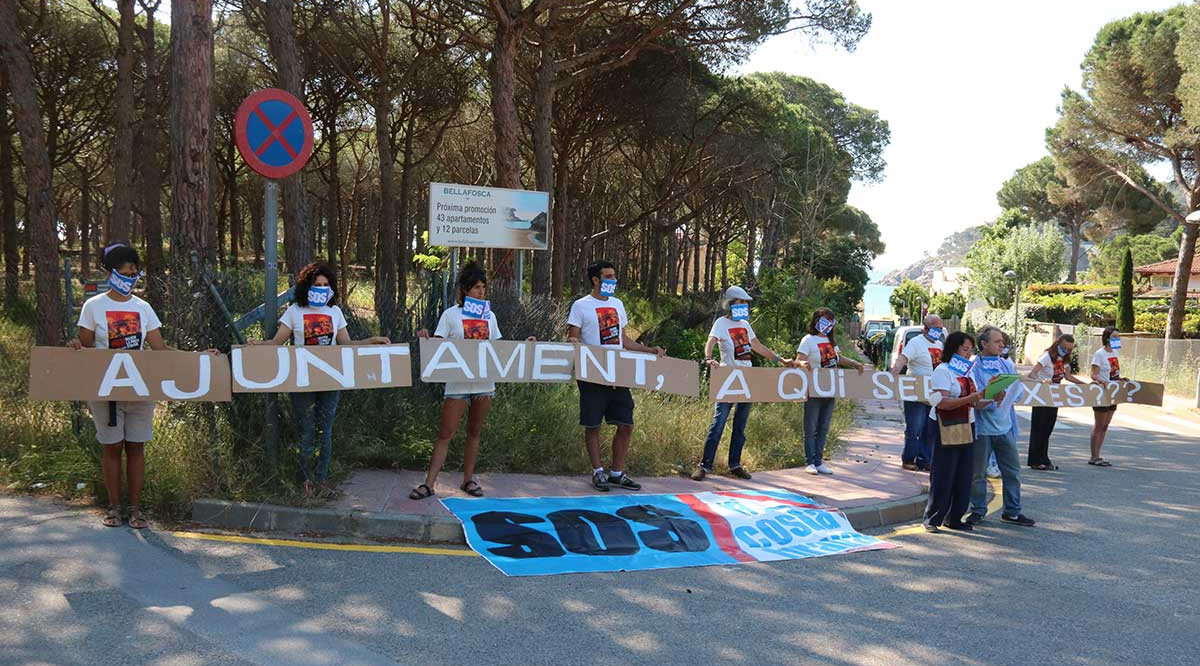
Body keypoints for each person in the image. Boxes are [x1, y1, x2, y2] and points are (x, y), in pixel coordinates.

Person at [67, 244, 213, 529]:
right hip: (105, 391)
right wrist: (73, 345)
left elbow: (159, 348)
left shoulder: (143, 308)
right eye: (124, 273)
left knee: (136, 447)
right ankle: (114, 508)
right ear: (108, 273)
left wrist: (197, 359)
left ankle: (135, 509)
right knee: (112, 447)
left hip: (139, 389)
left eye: (134, 273)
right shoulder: (93, 306)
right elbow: (83, 346)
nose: (130, 278)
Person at [253, 261, 389, 497]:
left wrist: (371, 340)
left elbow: (346, 344)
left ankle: (322, 479)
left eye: (326, 285)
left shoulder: (334, 312)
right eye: (317, 284)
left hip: (330, 380)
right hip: (301, 380)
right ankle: (306, 480)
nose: (322, 288)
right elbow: (277, 342)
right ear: (307, 286)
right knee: (306, 430)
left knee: (324, 430)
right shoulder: (295, 311)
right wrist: (255, 346)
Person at [411, 263, 534, 500]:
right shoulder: (450, 315)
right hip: (457, 384)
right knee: (446, 433)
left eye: (483, 287)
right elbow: (438, 347)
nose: (481, 292)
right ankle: (429, 484)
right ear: (465, 290)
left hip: (484, 383)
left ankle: (468, 479)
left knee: (475, 431)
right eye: (476, 287)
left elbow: (498, 348)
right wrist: (426, 338)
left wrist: (524, 346)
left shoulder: (491, 317)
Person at [567, 260, 665, 491]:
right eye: (608, 276)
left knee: (626, 424)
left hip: (618, 374)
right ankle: (598, 471)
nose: (613, 280)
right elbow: (573, 337)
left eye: (613, 276)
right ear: (595, 280)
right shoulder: (581, 306)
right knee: (593, 425)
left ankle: (617, 473)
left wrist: (649, 350)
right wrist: (573, 342)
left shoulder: (618, 304)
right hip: (592, 374)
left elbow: (624, 340)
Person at [692, 286, 790, 481]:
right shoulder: (721, 323)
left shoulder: (745, 324)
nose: (744, 305)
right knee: (718, 423)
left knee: (740, 424)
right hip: (728, 378)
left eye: (745, 303)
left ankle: (734, 465)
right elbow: (710, 341)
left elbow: (758, 346)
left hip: (747, 379)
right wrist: (708, 357)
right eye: (741, 302)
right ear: (731, 304)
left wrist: (780, 359)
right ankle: (705, 465)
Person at [964, 327, 1035, 527]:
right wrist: (992, 397)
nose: (1001, 345)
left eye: (1002, 342)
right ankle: (977, 510)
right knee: (977, 474)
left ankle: (1012, 511)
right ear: (984, 344)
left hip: (1005, 427)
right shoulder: (973, 366)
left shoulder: (1006, 364)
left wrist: (1003, 396)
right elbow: (974, 398)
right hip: (982, 430)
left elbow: (1017, 391)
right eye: (997, 341)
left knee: (1012, 472)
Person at [923, 331, 984, 533]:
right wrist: (971, 399)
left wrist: (992, 396)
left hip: (967, 423)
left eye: (970, 350)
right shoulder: (943, 370)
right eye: (965, 349)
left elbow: (975, 402)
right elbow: (943, 402)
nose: (968, 354)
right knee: (943, 473)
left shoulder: (968, 372)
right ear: (953, 348)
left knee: (963, 474)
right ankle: (932, 518)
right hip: (945, 425)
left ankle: (955, 517)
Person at [795, 308, 865, 476]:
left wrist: (855, 364)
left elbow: (838, 358)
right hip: (813, 389)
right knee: (810, 427)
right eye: (823, 320)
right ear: (816, 321)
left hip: (830, 389)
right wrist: (802, 364)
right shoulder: (808, 340)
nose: (826, 325)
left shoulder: (831, 341)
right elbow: (798, 360)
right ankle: (810, 461)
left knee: (824, 427)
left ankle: (819, 461)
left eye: (829, 321)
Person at [890, 314, 945, 471]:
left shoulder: (940, 345)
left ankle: (925, 460)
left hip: (933, 393)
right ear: (925, 329)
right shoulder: (915, 343)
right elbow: (903, 358)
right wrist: (896, 369)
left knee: (930, 428)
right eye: (935, 328)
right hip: (915, 392)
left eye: (940, 329)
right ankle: (908, 458)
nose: (938, 331)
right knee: (915, 428)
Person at [1025, 333, 1086, 470]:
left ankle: (1044, 458)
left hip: (1055, 397)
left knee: (1048, 428)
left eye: (1069, 349)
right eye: (1064, 347)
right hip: (1042, 396)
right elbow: (1032, 374)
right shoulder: (1046, 357)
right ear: (1057, 344)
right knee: (1039, 428)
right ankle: (1035, 460)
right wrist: (1042, 381)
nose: (1066, 351)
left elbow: (1068, 376)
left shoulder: (1064, 360)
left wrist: (1084, 385)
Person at [1088, 327, 1125, 467]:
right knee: (1099, 425)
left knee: (1105, 426)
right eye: (1114, 336)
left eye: (1118, 336)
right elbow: (1094, 373)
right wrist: (1101, 381)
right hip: (1102, 392)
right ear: (1107, 338)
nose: (1117, 339)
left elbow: (1113, 372)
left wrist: (1120, 379)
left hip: (1113, 392)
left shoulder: (1115, 352)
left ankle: (1098, 454)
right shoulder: (1100, 354)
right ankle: (1094, 456)